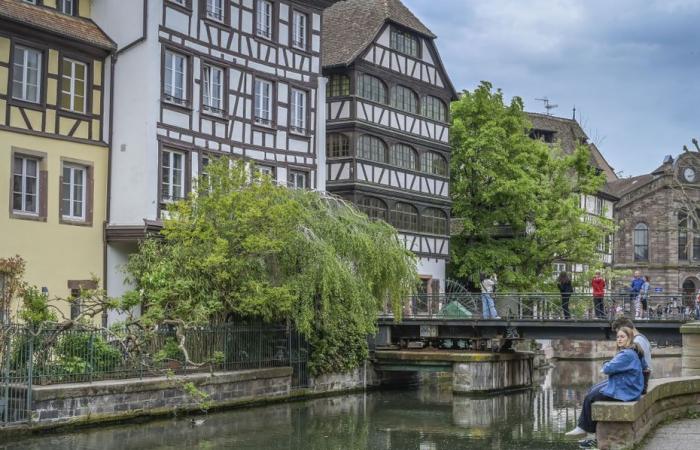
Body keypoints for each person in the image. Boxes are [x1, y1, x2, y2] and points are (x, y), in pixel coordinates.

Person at [566, 326, 647, 448]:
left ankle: (583, 428)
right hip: (629, 385)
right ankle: (590, 433)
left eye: (622, 337)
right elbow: (644, 366)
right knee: (593, 389)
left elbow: (607, 369)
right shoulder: (635, 351)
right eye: (618, 337)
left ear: (629, 338)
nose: (619, 339)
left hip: (625, 390)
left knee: (590, 397)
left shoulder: (626, 354)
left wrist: (605, 364)